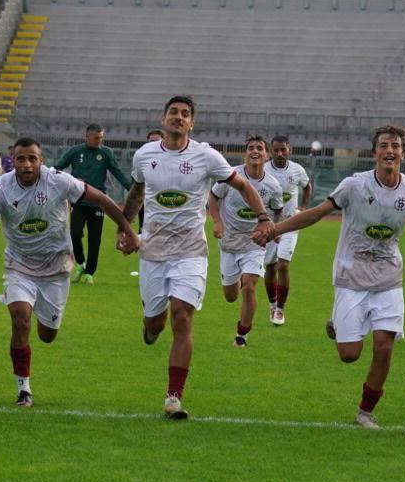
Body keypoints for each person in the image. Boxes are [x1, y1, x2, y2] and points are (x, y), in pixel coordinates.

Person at [265, 124, 405, 427]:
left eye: (395, 146)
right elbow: (317, 213)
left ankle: (365, 411)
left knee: (384, 345)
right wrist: (274, 229)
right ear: (374, 152)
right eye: (384, 146)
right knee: (349, 354)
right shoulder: (354, 185)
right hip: (351, 273)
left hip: (388, 276)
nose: (390, 151)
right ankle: (340, 325)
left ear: (403, 153)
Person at [122, 96, 272, 420]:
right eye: (173, 112)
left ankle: (173, 397)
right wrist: (125, 228)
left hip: (191, 251)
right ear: (163, 119)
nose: (179, 117)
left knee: (182, 317)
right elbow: (137, 192)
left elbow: (243, 185)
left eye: (185, 114)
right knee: (155, 324)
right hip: (153, 250)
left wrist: (263, 218)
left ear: (192, 123)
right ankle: (150, 327)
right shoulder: (145, 155)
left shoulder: (206, 156)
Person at [0, 137, 139, 407]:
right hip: (19, 266)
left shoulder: (59, 181)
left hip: (56, 269)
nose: (26, 164)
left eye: (32, 159)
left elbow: (102, 199)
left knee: (47, 335)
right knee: (20, 318)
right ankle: (23, 388)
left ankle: (42, 313)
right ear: (13, 160)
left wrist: (127, 230)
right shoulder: (1, 188)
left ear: (41, 161)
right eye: (21, 158)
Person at [208, 134, 283, 348]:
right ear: (245, 154)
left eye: (260, 148)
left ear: (266, 155)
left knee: (250, 286)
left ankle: (242, 334)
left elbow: (278, 210)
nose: (255, 151)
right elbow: (213, 197)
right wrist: (217, 222)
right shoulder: (231, 176)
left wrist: (275, 230)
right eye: (251, 148)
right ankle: (239, 278)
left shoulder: (273, 185)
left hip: (255, 242)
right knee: (231, 296)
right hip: (230, 241)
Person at [54, 123, 133, 282]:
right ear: (87, 137)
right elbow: (57, 168)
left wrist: (133, 190)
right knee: (75, 234)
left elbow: (117, 172)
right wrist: (66, 180)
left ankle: (89, 273)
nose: (99, 141)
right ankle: (80, 263)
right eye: (96, 138)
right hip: (78, 200)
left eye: (101, 137)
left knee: (94, 239)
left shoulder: (106, 153)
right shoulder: (75, 151)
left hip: (98, 203)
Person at [264, 134, 312, 326]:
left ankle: (280, 309)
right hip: (270, 224)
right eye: (276, 150)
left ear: (289, 149)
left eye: (283, 149)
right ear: (270, 151)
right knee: (270, 267)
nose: (280, 153)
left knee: (283, 265)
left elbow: (307, 187)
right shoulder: (264, 170)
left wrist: (303, 208)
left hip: (291, 223)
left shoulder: (297, 170)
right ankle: (272, 304)